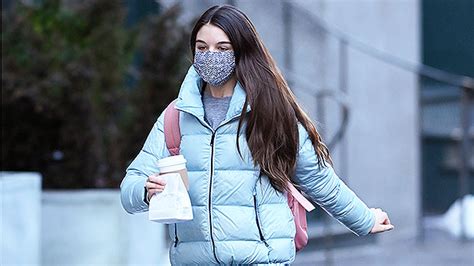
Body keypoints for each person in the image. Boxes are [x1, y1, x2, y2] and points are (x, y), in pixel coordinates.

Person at [120, 4, 394, 265]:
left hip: (261, 259)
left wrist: (364, 220)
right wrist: (145, 191)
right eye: (202, 48)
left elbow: (318, 179)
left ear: (242, 52)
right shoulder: (176, 116)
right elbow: (130, 185)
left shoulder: (271, 112)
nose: (210, 56)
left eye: (222, 48)